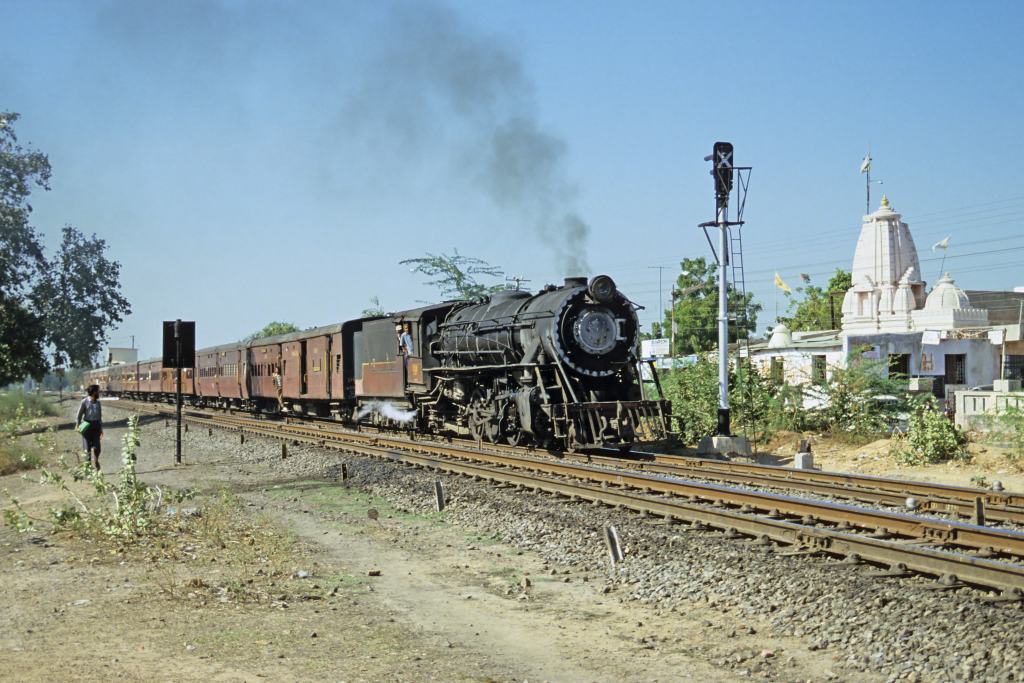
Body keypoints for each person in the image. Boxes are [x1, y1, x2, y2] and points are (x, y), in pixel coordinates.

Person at [76, 384, 103, 470]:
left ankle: (96, 460)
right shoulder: (84, 402)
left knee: (97, 447)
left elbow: (100, 417)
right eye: (97, 391)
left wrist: (101, 428)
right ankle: (88, 467)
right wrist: (78, 425)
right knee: (87, 448)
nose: (99, 392)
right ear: (93, 392)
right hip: (87, 426)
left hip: (96, 426)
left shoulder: (98, 403)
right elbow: (79, 415)